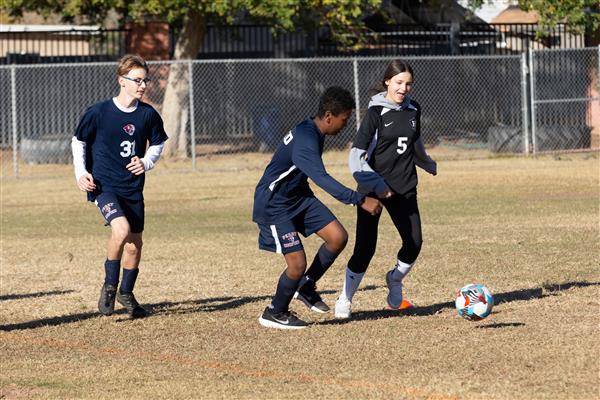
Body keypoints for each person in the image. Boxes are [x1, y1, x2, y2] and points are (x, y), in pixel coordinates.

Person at [253, 86, 382, 329]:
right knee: (296, 264)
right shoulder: (306, 139)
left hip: (298, 196)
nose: (346, 125)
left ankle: (307, 286)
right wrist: (360, 199)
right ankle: (275, 311)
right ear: (329, 116)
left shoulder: (313, 130)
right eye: (344, 119)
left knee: (337, 237)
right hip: (275, 204)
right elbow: (322, 178)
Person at [334, 60, 437, 319]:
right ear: (387, 82)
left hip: (404, 188)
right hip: (373, 188)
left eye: (408, 83)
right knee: (365, 248)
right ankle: (345, 297)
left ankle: (394, 279)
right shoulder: (375, 113)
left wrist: (425, 162)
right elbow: (356, 156)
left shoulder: (414, 109)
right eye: (399, 82)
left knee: (414, 242)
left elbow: (413, 143)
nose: (404, 88)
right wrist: (377, 185)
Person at [71, 54, 168, 319]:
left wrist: (147, 162)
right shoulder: (98, 112)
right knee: (121, 229)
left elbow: (158, 143)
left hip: (132, 188)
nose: (143, 85)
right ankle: (110, 286)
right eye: (137, 80)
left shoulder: (148, 114)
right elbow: (78, 142)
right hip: (104, 186)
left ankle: (127, 292)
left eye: (145, 80)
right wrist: (81, 173)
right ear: (121, 81)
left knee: (135, 245)